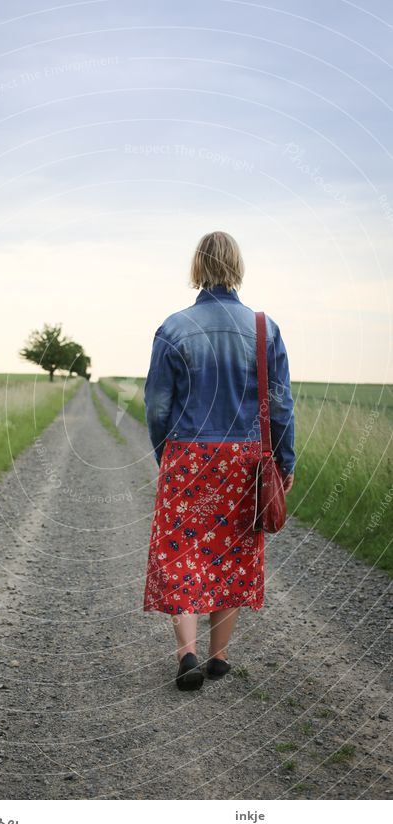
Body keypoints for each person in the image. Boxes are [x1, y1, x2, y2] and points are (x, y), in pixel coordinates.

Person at [143, 231, 295, 691]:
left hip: (189, 456)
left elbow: (156, 406)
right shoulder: (265, 329)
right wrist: (284, 460)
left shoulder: (173, 328)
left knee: (182, 552)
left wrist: (165, 455)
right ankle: (220, 656)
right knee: (232, 551)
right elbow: (283, 405)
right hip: (245, 461)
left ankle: (186, 653)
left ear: (197, 267)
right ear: (238, 267)